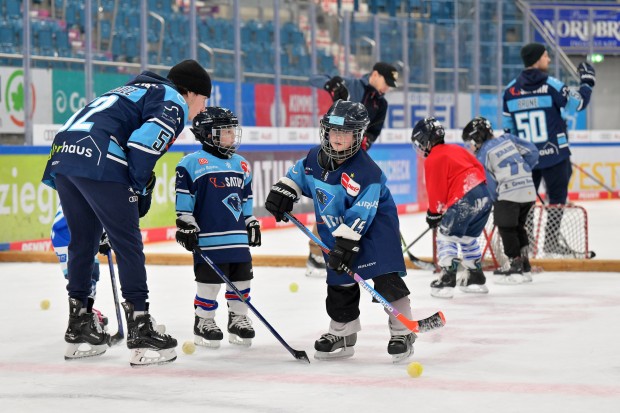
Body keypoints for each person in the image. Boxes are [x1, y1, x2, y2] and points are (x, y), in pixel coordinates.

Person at [41, 59, 211, 366]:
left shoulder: (130, 89)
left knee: (83, 241)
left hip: (64, 155)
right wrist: (138, 186)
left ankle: (79, 323)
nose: (201, 110)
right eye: (203, 100)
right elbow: (144, 146)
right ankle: (140, 325)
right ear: (192, 93)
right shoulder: (173, 99)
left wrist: (136, 185)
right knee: (128, 244)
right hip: (100, 157)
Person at [265, 100, 416, 363]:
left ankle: (403, 331)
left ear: (357, 136)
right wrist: (283, 190)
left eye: (344, 133)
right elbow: (297, 175)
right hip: (336, 228)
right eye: (333, 132)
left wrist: (346, 245)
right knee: (339, 281)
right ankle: (343, 333)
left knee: (386, 279)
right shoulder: (314, 157)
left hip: (376, 228)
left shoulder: (367, 172)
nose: (337, 138)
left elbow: (363, 212)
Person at [174, 107, 261, 349]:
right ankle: (204, 320)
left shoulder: (242, 164)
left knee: (242, 279)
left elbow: (246, 201)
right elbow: (184, 205)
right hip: (209, 240)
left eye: (233, 131)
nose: (232, 136)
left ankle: (238, 317)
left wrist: (250, 222)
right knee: (209, 283)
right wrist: (186, 225)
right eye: (226, 132)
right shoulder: (190, 164)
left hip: (237, 240)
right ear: (208, 135)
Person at [305, 61, 399, 277]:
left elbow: (374, 131)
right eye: (387, 82)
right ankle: (316, 254)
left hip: (356, 158)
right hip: (333, 156)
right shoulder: (352, 86)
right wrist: (330, 84)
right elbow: (313, 77)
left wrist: (363, 143)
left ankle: (345, 249)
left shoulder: (381, 104)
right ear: (375, 74)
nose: (387, 88)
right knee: (330, 202)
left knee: (352, 206)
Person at [502, 43, 595, 255]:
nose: (549, 60)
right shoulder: (552, 85)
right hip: (556, 155)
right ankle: (551, 242)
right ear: (536, 59)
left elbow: (509, 129)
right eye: (546, 56)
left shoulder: (510, 91)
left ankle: (527, 244)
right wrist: (587, 83)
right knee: (556, 199)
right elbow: (578, 104)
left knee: (526, 201)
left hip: (527, 159)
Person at [411, 117, 492, 299]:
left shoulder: (433, 158)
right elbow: (479, 168)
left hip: (465, 196)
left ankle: (447, 277)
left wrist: (434, 214)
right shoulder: (456, 148)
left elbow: (436, 190)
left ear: (425, 140)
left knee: (446, 235)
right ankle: (475, 277)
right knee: (467, 237)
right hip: (485, 195)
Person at [462, 116, 539, 284]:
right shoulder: (508, 138)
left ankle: (515, 266)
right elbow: (533, 152)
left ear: (477, 137)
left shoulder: (483, 154)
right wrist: (524, 171)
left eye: (471, 142)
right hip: (528, 189)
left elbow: (488, 181)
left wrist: (495, 199)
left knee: (506, 228)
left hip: (508, 193)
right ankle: (525, 266)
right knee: (519, 226)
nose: (471, 146)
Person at [51, 204, 110, 328]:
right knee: (86, 274)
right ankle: (83, 317)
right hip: (72, 232)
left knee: (86, 273)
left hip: (65, 232)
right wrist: (104, 232)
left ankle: (84, 312)